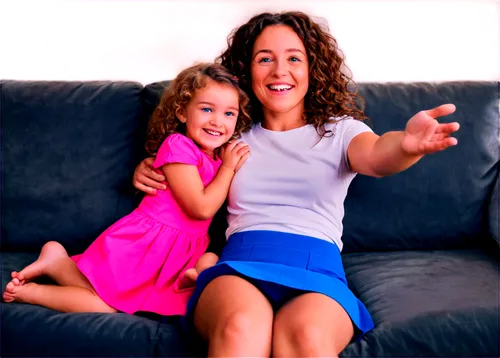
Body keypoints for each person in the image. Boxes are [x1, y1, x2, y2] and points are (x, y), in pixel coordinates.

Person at [133, 10, 460, 357]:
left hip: (318, 269)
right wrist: (148, 167)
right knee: (241, 326)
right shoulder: (227, 133)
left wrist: (406, 146)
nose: (280, 71)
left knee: (306, 337)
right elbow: (183, 160)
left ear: (312, 68)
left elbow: (378, 155)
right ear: (246, 69)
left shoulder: (340, 131)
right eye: (265, 59)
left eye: (294, 58)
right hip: (240, 265)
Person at [2, 62, 252, 317]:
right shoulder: (179, 146)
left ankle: (57, 263)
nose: (217, 121)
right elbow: (202, 208)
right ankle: (32, 292)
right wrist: (229, 169)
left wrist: (225, 163)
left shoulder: (216, 157)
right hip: (146, 245)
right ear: (182, 112)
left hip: (180, 251)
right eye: (207, 109)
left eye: (229, 114)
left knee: (210, 260)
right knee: (104, 305)